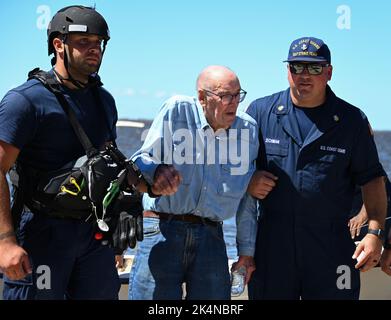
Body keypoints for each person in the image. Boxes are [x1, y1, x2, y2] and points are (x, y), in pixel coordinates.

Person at [0, 5, 176, 300]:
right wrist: (5, 241)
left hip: (93, 237)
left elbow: (109, 162)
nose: (94, 50)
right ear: (58, 45)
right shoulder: (25, 102)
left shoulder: (103, 99)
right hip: (42, 234)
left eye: (99, 43)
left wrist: (150, 184)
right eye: (84, 42)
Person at [246, 37, 387, 299]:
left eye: (314, 68)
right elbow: (231, 171)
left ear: (329, 72)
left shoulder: (352, 120)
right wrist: (248, 180)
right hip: (272, 247)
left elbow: (373, 179)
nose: (304, 75)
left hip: (332, 248)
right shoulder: (259, 113)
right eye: (297, 67)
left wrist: (376, 234)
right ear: (287, 71)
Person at [128, 65, 259, 300]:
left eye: (238, 95)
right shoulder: (177, 110)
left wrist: (246, 252)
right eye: (225, 96)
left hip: (212, 236)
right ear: (202, 97)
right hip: (162, 229)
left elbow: (247, 199)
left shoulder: (247, 129)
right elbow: (139, 160)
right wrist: (156, 171)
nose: (234, 103)